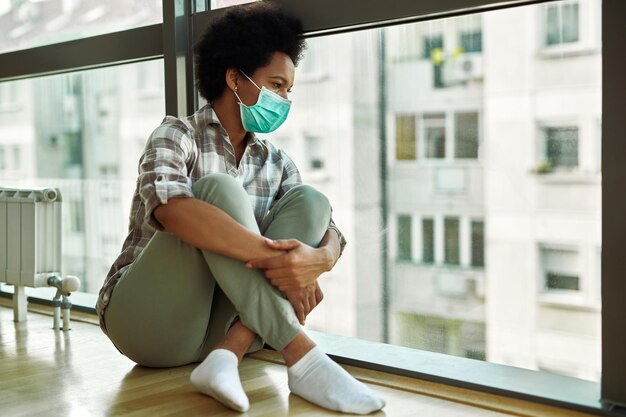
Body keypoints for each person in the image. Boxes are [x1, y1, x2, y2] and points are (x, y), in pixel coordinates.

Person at [95, 2, 385, 415]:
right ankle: (303, 358)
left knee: (312, 200)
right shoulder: (176, 134)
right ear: (235, 77)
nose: (285, 98)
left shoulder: (276, 162)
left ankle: (226, 357)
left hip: (230, 330)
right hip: (149, 325)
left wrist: (318, 260)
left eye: (289, 90)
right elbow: (171, 210)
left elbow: (326, 223)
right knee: (217, 190)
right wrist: (277, 262)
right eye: (277, 84)